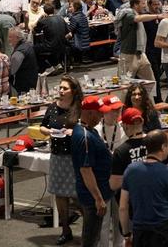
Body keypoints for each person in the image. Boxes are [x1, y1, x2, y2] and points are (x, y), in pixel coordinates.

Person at [119, 130, 168, 247]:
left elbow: (123, 207)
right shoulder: (167, 172)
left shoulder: (130, 170)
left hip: (140, 232)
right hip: (163, 233)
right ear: (163, 147)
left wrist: (126, 234)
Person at [39, 76, 82, 245]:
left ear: (74, 91)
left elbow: (89, 127)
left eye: (65, 88)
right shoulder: (52, 107)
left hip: (75, 156)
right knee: (60, 194)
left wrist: (74, 132)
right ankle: (65, 229)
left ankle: (89, 230)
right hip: (57, 156)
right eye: (60, 88)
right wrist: (49, 132)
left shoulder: (79, 108)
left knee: (79, 196)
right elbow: (42, 126)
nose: (61, 91)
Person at [71, 96, 114, 247]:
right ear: (89, 113)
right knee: (90, 239)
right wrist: (98, 199)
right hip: (92, 198)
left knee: (92, 236)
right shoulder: (85, 137)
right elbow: (86, 170)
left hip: (96, 193)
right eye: (100, 113)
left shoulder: (89, 131)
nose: (102, 116)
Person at [119, 0, 164, 82]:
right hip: (129, 54)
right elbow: (138, 19)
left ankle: (152, 95)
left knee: (151, 81)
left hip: (140, 53)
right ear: (135, 5)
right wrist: (157, 16)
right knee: (125, 82)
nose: (145, 6)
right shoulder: (127, 14)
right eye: (143, 3)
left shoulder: (137, 14)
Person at [33, 3, 69, 74]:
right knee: (50, 44)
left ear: (44, 11)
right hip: (63, 45)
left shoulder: (43, 21)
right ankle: (56, 64)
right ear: (54, 10)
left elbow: (35, 31)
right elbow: (67, 32)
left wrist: (40, 18)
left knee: (34, 48)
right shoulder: (61, 18)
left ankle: (48, 67)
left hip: (51, 46)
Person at [8, 27, 38, 94]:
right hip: (31, 81)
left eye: (10, 37)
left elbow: (11, 71)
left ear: (17, 38)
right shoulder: (27, 45)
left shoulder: (19, 52)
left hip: (22, 86)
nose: (8, 40)